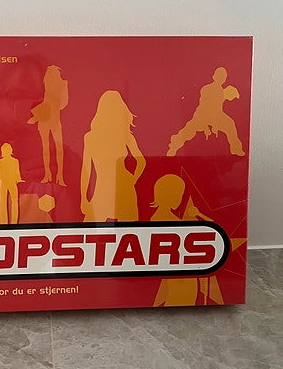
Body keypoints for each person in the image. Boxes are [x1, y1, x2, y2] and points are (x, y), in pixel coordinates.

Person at [150, 173, 223, 306]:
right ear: (166, 195)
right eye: (178, 194)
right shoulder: (163, 218)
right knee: (178, 300)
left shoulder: (168, 218)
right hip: (179, 283)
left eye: (182, 194)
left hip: (183, 281)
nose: (180, 198)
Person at [80, 90, 146, 222]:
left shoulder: (124, 136)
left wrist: (132, 181)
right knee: (92, 225)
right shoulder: (91, 137)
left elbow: (141, 161)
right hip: (105, 188)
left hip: (121, 187)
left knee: (129, 228)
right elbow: (86, 170)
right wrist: (83, 198)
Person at [167, 67, 245, 156]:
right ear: (214, 76)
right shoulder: (207, 89)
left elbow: (219, 107)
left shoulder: (221, 91)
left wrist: (231, 94)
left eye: (223, 77)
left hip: (216, 116)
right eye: (219, 76)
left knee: (230, 124)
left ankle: (236, 149)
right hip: (202, 115)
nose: (221, 79)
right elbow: (205, 107)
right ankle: (173, 147)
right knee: (187, 132)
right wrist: (206, 126)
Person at [28, 65, 68, 185]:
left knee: (57, 148)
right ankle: (48, 174)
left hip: (52, 120)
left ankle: (59, 175)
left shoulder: (61, 86)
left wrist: (36, 117)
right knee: (47, 148)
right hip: (45, 120)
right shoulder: (48, 87)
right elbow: (50, 103)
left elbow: (62, 104)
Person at [0, 143, 24, 224]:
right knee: (4, 204)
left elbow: (17, 172)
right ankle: (4, 223)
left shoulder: (15, 161)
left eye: (6, 150)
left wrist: (19, 179)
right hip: (3, 184)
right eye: (4, 150)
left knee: (14, 202)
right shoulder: (1, 162)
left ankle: (13, 223)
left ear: (10, 150)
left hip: (12, 183)